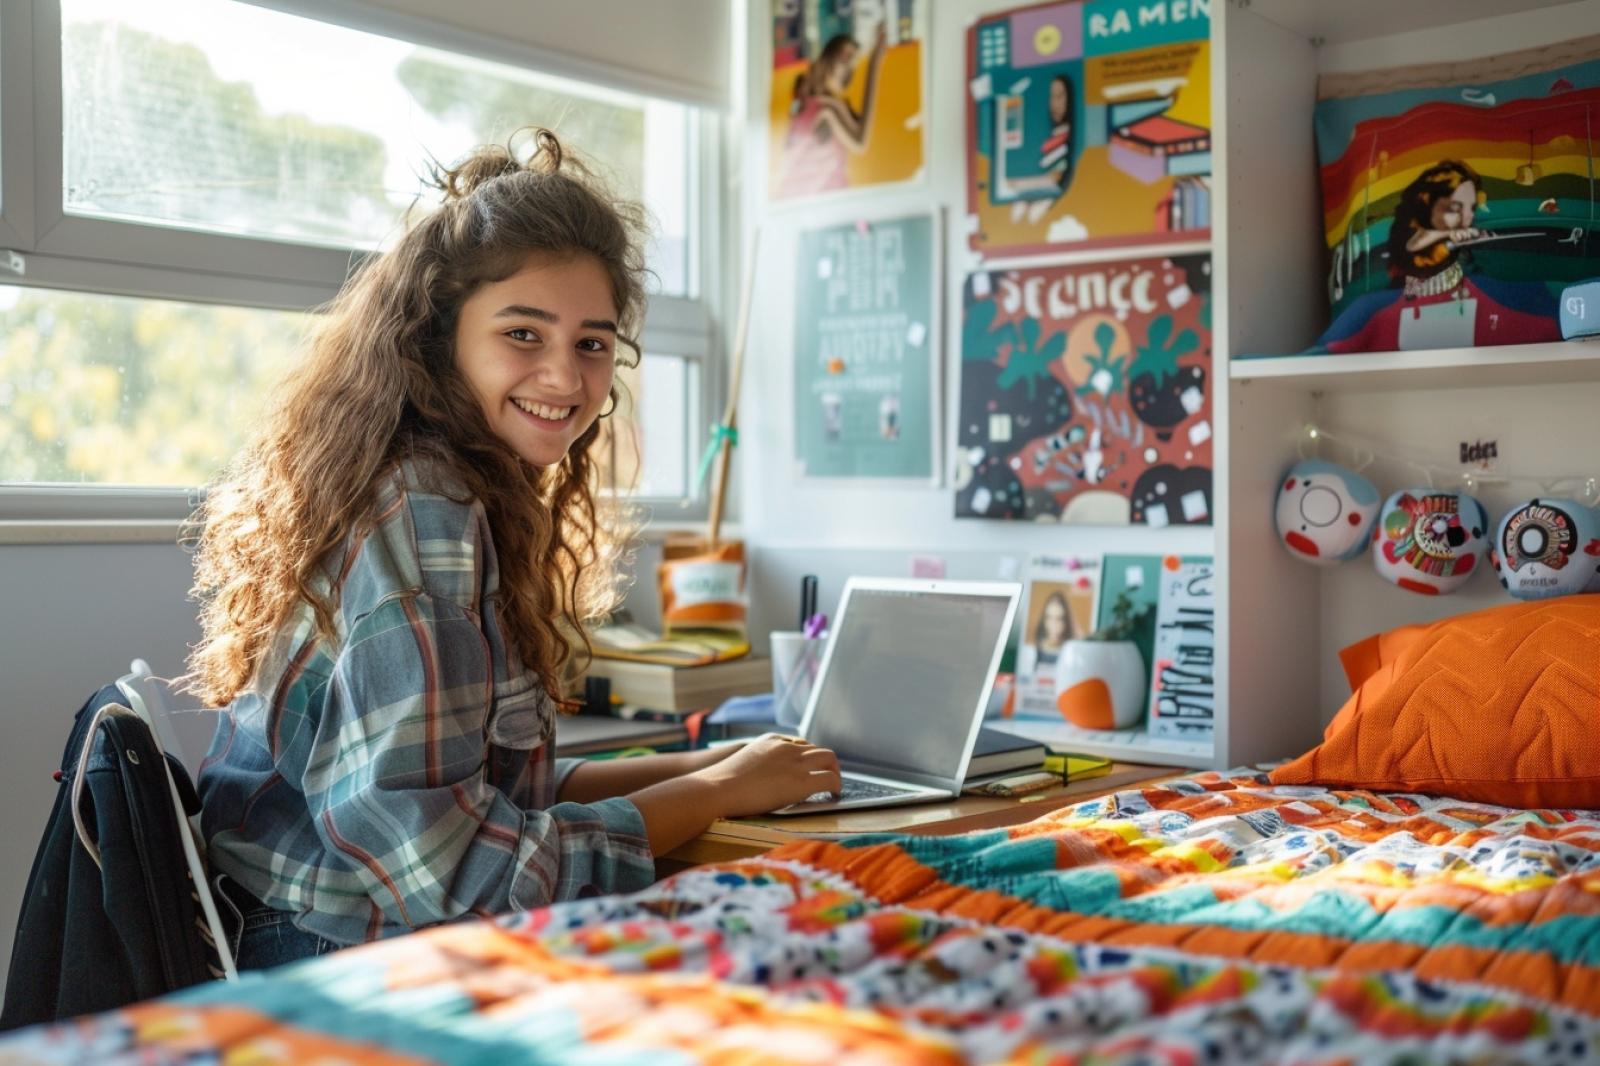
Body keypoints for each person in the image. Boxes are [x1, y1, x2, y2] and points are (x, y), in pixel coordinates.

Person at [185, 129, 841, 970]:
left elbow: (505, 800)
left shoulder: (466, 489)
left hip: (328, 922)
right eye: (523, 335)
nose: (566, 379)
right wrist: (715, 793)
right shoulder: (426, 510)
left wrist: (726, 763)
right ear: (438, 337)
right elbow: (453, 873)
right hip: (324, 949)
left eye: (593, 344)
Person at [778, 25, 887, 197]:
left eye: (852, 59)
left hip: (825, 194)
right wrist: (874, 64)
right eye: (845, 56)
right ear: (829, 56)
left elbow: (860, 136)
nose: (849, 63)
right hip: (811, 195)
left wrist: (874, 62)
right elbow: (860, 141)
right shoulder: (818, 102)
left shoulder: (830, 105)